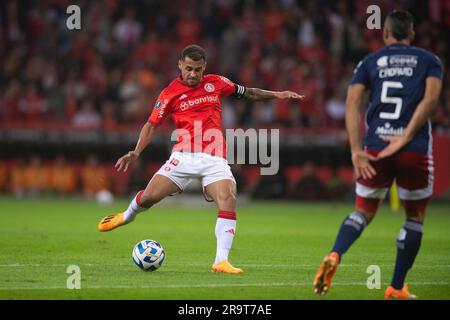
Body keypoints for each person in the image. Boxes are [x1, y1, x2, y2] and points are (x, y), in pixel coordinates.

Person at [98, 44, 304, 274]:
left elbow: (249, 93)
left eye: (197, 69)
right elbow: (151, 125)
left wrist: (278, 94)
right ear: (180, 65)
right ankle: (126, 216)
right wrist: (135, 152)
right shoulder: (169, 93)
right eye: (188, 69)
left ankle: (221, 261)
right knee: (149, 197)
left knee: (228, 197)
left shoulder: (216, 83)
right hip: (184, 156)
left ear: (204, 67)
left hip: (215, 158)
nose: (193, 74)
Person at [313, 10, 443, 299]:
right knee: (414, 217)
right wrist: (407, 136)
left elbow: (351, 105)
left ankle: (335, 254)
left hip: (374, 147)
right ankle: (396, 286)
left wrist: (356, 150)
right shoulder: (429, 61)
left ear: (385, 33)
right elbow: (432, 99)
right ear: (411, 34)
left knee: (363, 211)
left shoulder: (370, 62)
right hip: (413, 148)